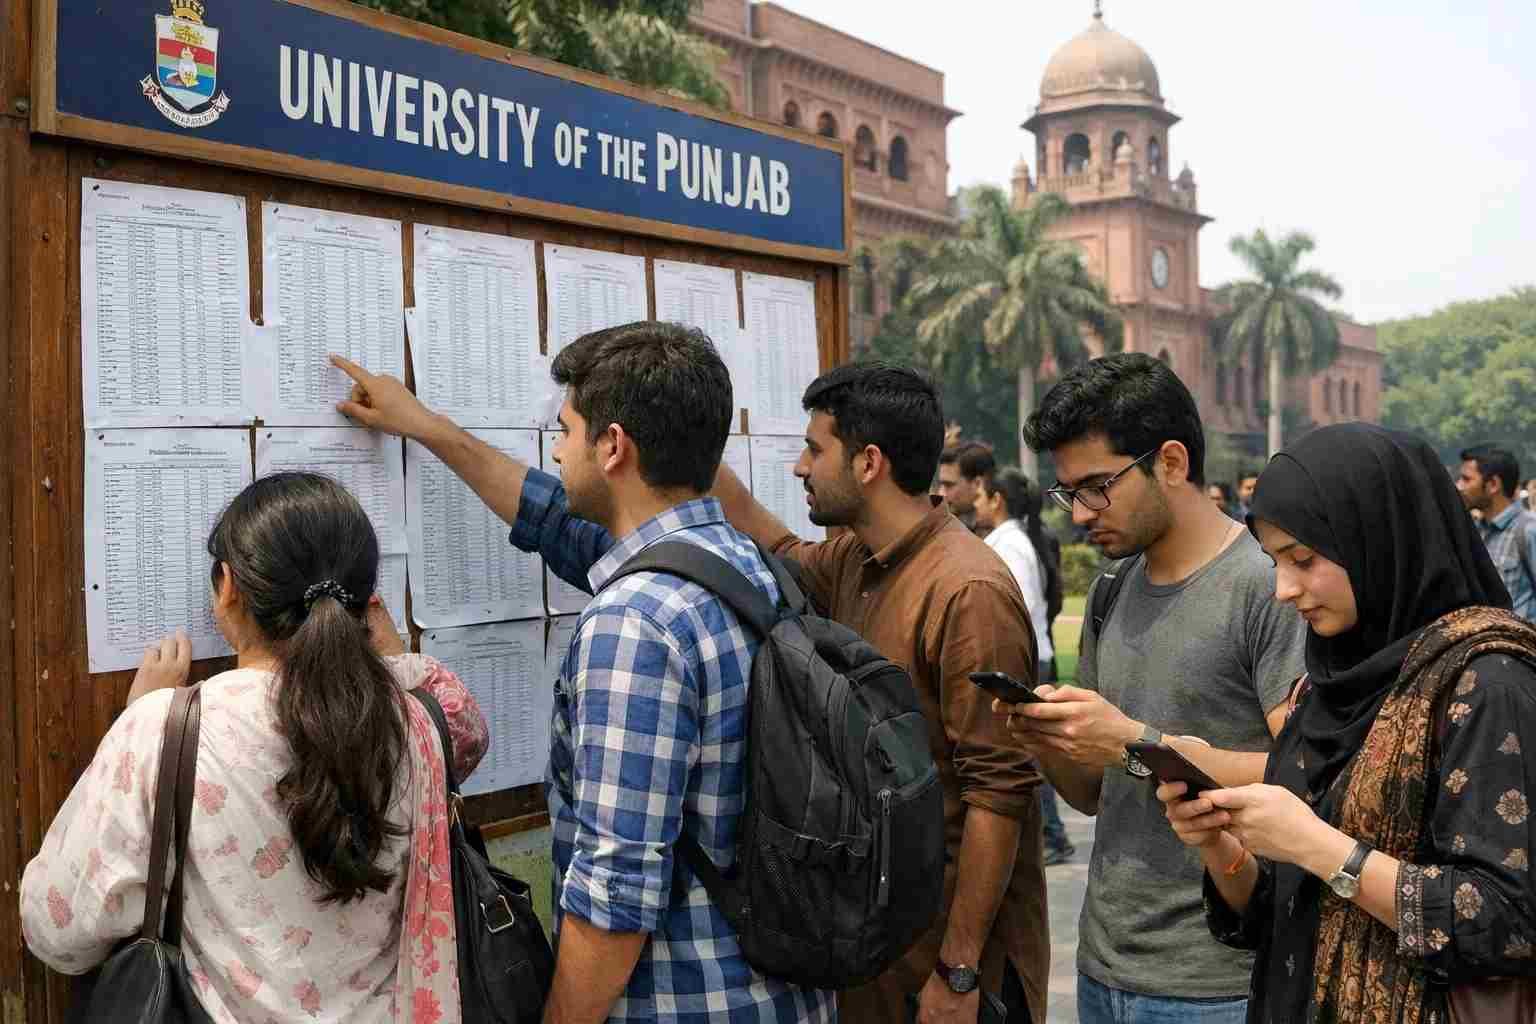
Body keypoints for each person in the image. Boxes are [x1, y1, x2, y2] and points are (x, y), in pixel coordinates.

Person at [332, 323, 835, 1023]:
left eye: (566, 431)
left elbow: (614, 897)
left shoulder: (636, 621)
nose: (557, 450)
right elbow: (556, 523)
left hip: (684, 1003)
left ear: (613, 446)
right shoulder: (751, 568)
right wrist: (428, 427)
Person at [22, 473, 489, 1021]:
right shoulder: (418, 724)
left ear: (228, 587)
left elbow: (55, 932)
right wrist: (387, 657)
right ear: (364, 599)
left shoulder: (163, 731)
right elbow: (465, 725)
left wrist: (136, 719)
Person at [1159, 423, 1536, 1023]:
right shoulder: (1327, 682)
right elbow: (1275, 912)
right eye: (1275, 561)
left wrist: (1319, 845)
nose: (1284, 589)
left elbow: (1507, 919)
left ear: (1378, 539)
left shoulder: (1487, 682)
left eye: (1303, 559)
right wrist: (1218, 842)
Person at [709, 363, 1048, 1023]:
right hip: (882, 951)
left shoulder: (968, 592)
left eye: (815, 450)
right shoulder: (854, 560)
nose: (801, 468)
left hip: (950, 971)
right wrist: (688, 447)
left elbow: (998, 796)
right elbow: (773, 541)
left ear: (868, 462)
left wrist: (958, 971)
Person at [1002, 353, 1307, 1024]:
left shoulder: (1269, 587)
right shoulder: (1111, 590)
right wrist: (1047, 740)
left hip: (1217, 979)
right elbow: (1092, 794)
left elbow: (1305, 777)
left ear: (1170, 462)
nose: (1081, 513)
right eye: (1069, 493)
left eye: (1097, 486)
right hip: (1104, 963)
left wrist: (1137, 743)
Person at [976, 468, 1075, 867]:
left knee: (1033, 751)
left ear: (996, 499)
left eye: (980, 496)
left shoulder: (1012, 544)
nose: (976, 504)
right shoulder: (1011, 539)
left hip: (1027, 660)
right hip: (1030, 656)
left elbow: (1020, 604)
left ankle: (1053, 834)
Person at [1456, 445, 1536, 622]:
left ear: (1493, 484)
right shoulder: (1475, 531)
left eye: (1466, 479)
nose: (1459, 486)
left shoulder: (1529, 530)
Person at [936, 440, 996, 537]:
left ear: (977, 484)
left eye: (949, 485)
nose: (941, 493)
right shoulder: (945, 529)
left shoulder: (1002, 539)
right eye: (941, 485)